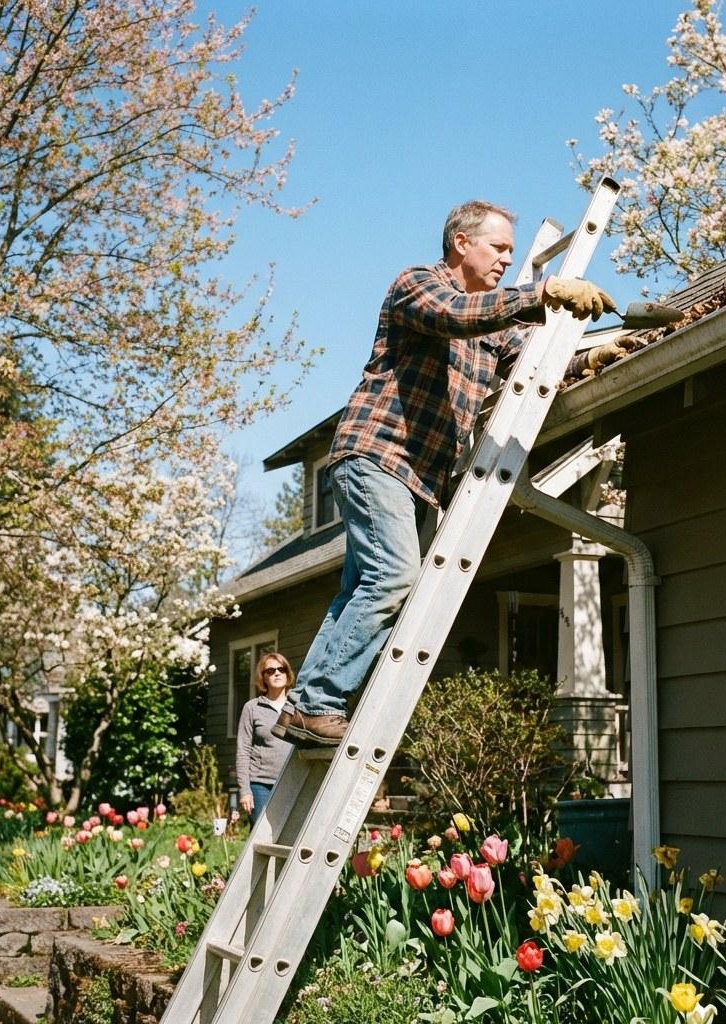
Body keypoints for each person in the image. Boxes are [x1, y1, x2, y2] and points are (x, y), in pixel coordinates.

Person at [274, 199, 615, 747]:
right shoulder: (417, 286)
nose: (507, 259)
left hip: (418, 481)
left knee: (365, 589)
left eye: (510, 250)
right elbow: (455, 316)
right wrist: (544, 293)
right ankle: (316, 702)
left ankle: (306, 705)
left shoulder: (491, 325)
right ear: (462, 243)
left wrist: (592, 360)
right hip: (376, 456)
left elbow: (528, 361)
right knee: (393, 576)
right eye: (498, 248)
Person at [236, 652, 295, 823]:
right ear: (263, 678)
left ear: (287, 674)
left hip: (292, 780)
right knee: (261, 836)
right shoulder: (252, 708)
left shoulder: (297, 707)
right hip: (261, 785)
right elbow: (243, 751)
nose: (277, 673)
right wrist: (245, 790)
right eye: (270, 671)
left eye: (281, 669)